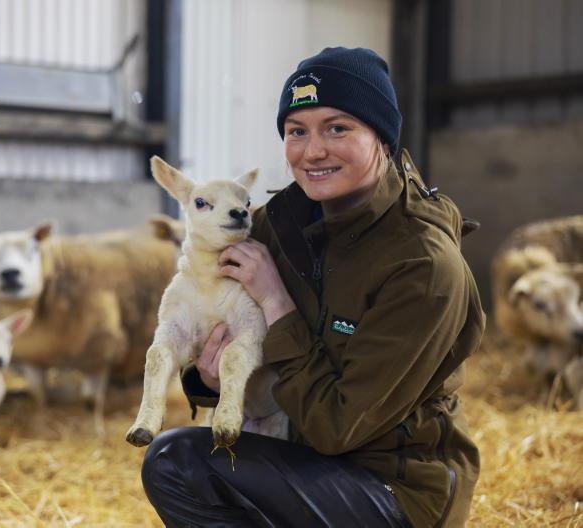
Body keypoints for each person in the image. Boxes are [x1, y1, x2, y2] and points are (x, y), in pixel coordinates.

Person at [140, 47, 485, 528]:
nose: (313, 151)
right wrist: (209, 378)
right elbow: (211, 324)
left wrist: (275, 301)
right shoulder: (278, 225)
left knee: (181, 459)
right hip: (299, 452)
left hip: (393, 485)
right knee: (177, 463)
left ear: (382, 137)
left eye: (337, 128)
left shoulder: (422, 265)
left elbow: (338, 427)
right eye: (296, 131)